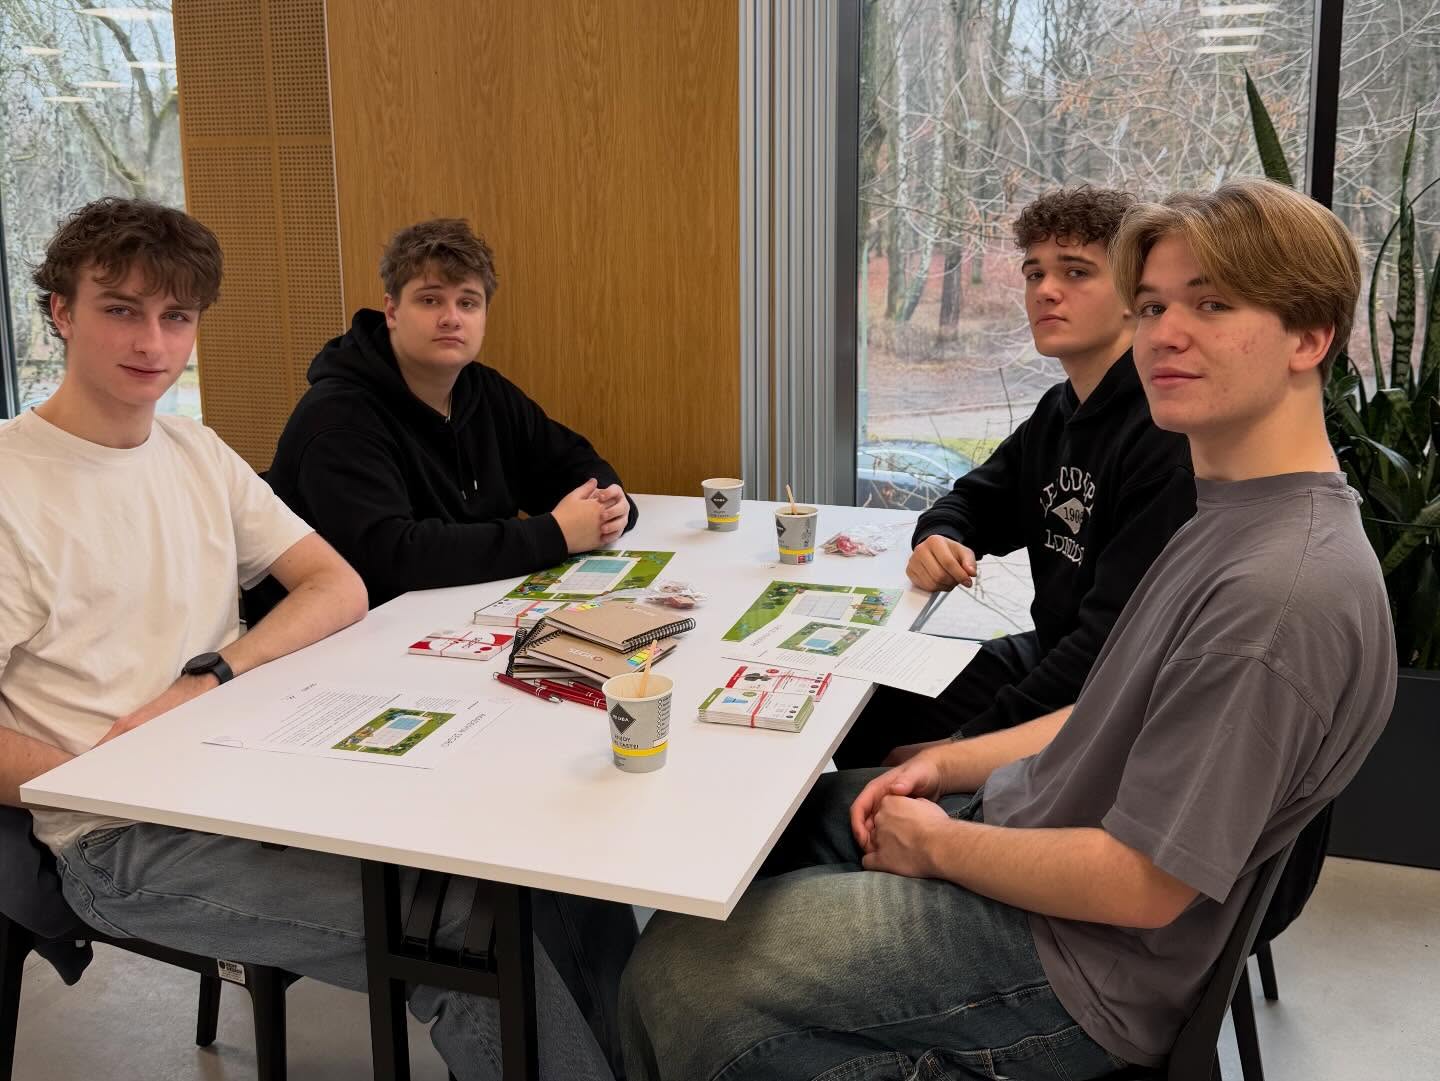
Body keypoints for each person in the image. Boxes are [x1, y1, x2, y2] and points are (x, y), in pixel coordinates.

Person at [618, 179, 1397, 1080]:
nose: (1165, 334)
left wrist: (938, 844)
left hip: (1078, 958)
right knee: (757, 837)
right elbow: (1107, 710)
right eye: (1153, 305)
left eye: (1212, 304)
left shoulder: (1277, 592)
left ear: (1309, 337)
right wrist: (948, 766)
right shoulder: (1231, 513)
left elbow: (1145, 884)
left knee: (677, 975)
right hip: (1035, 820)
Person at [0, 198, 632, 1081]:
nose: (152, 341)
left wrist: (211, 677)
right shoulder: (14, 483)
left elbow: (337, 585)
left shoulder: (193, 450)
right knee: (466, 933)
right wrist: (101, 771)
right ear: (61, 312)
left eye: (176, 316)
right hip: (123, 836)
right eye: (120, 310)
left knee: (548, 875)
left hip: (251, 771)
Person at [837, 188, 1194, 769]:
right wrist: (940, 537)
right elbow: (973, 501)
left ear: (1137, 296)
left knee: (877, 761)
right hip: (1052, 655)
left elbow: (1110, 646)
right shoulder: (1058, 411)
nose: (1045, 290)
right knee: (856, 707)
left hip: (1107, 699)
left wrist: (961, 749)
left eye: (1075, 272)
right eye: (1034, 273)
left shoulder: (1163, 434)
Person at [266, 217, 637, 608]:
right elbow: (392, 557)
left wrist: (608, 505)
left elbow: (574, 465)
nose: (451, 318)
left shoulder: (485, 391)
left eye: (468, 303)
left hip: (457, 610)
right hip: (353, 631)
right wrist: (555, 534)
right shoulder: (337, 417)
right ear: (392, 311)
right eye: (430, 300)